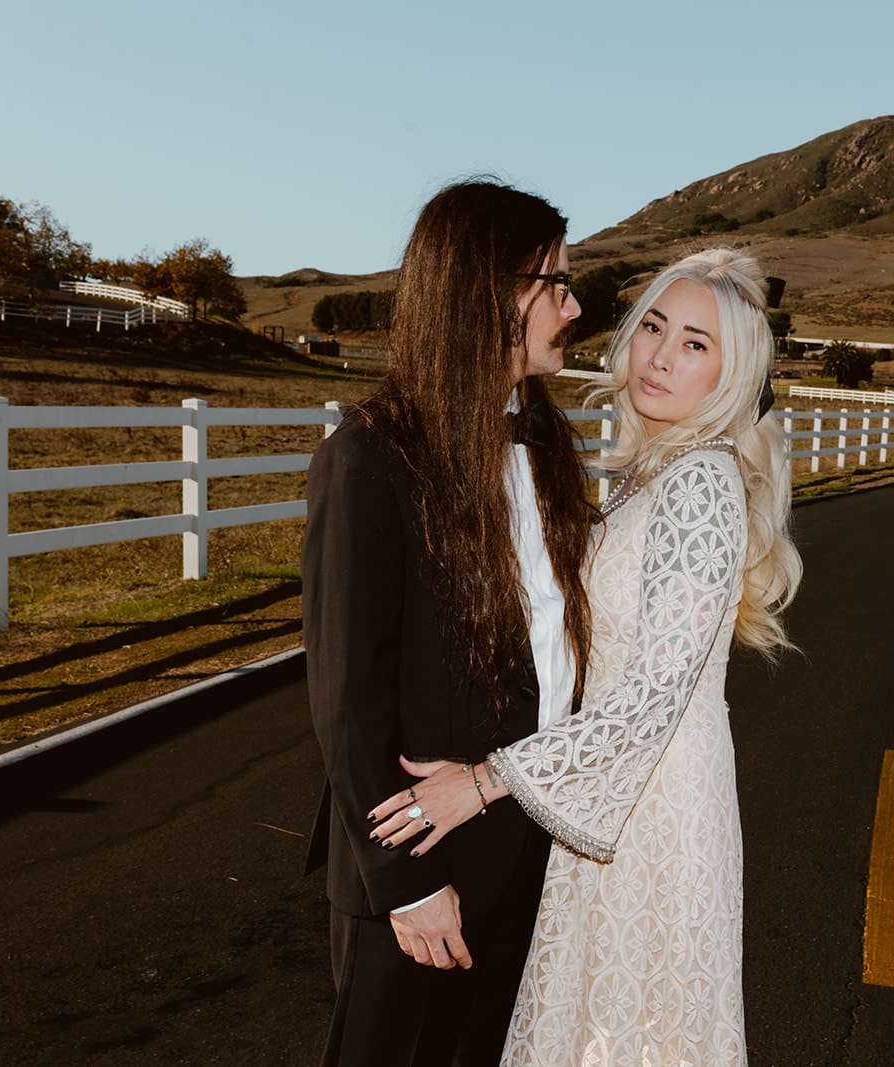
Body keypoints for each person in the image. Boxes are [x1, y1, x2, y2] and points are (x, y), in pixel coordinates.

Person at [369, 247, 802, 1065]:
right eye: (654, 328)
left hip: (659, 802)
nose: (663, 356)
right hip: (610, 793)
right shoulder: (658, 470)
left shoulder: (700, 482)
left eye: (697, 344)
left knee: (633, 1030)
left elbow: (654, 695)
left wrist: (482, 783)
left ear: (732, 374)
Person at [301, 179, 596, 1066]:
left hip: (529, 841)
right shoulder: (369, 455)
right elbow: (346, 697)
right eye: (557, 285)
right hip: (422, 863)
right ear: (491, 293)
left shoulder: (548, 444)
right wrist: (408, 883)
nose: (574, 307)